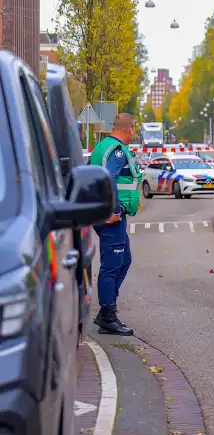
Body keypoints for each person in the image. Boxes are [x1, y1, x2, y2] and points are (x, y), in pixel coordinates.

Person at [89, 113, 141, 336]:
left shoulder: (103, 146)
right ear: (128, 129)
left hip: (105, 212)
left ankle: (108, 307)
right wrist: (113, 209)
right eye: (134, 129)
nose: (134, 133)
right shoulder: (117, 151)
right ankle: (107, 315)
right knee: (112, 265)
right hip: (111, 216)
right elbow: (107, 177)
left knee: (124, 260)